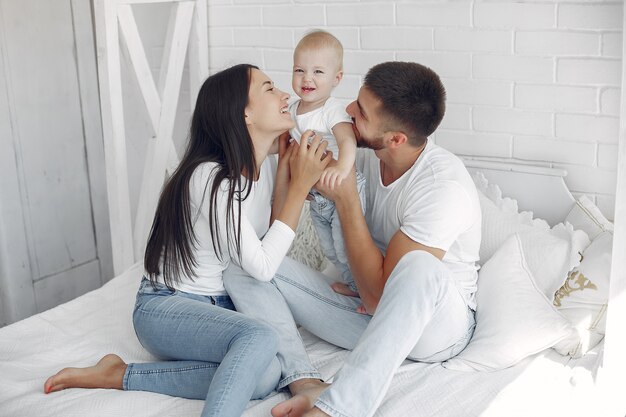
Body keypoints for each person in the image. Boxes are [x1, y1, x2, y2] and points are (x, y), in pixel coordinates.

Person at [43, 64, 331, 417]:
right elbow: (262, 267)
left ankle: (120, 375)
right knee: (259, 338)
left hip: (215, 307)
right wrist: (300, 188)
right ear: (244, 112)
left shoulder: (260, 170)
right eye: (270, 88)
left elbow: (264, 246)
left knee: (267, 374)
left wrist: (289, 174)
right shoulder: (208, 176)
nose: (286, 94)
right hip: (165, 308)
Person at [224, 61, 482, 417]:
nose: (346, 112)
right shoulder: (356, 153)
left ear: (396, 139)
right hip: (367, 306)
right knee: (242, 268)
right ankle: (304, 379)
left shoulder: (442, 188)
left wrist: (346, 200)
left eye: (360, 113)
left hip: (436, 331)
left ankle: (335, 410)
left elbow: (379, 296)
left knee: (420, 266)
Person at [288, 30, 366, 293]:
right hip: (319, 196)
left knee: (345, 245)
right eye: (300, 70)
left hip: (342, 188)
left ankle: (361, 286)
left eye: (318, 72)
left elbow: (346, 141)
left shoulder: (332, 109)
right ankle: (351, 281)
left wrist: (343, 168)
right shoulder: (292, 109)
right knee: (330, 248)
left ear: (337, 78)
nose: (307, 78)